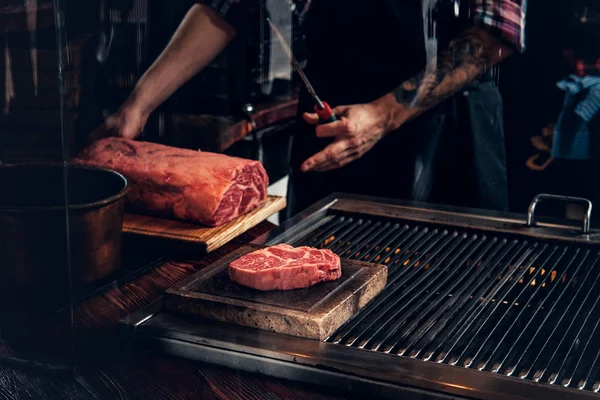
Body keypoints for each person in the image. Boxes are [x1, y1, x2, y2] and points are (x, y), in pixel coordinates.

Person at [92, 0, 527, 218]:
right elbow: (229, 6)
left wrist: (381, 115)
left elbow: (495, 33)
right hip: (331, 129)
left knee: (454, 313)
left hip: (448, 141)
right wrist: (138, 106)